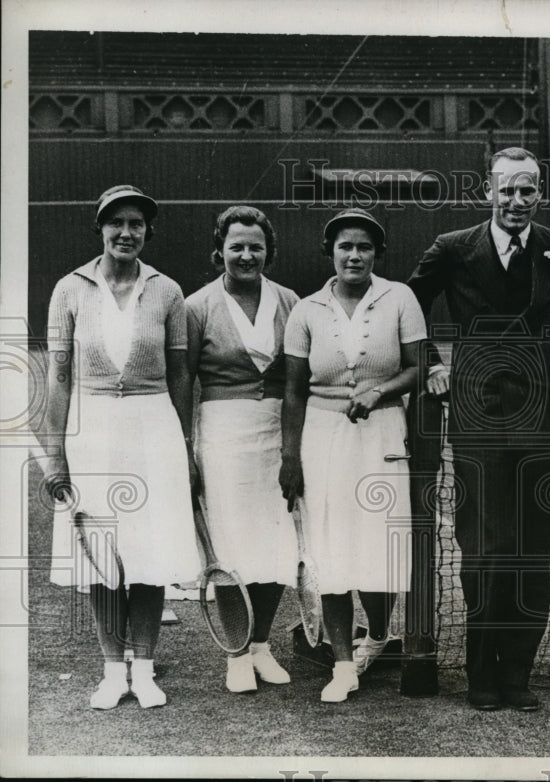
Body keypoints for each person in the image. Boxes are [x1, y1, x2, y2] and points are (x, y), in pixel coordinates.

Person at [407, 147, 550, 711]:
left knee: (533, 551)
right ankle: (480, 673)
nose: (516, 201)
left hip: (543, 417)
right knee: (485, 548)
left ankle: (518, 673)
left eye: (527, 191)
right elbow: (408, 305)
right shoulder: (452, 248)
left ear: (540, 194)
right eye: (506, 190)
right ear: (488, 192)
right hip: (477, 415)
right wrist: (431, 366)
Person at [43, 185, 202, 709]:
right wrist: (55, 455)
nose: (126, 233)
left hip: (153, 427)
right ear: (100, 228)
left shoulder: (168, 292)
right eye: (117, 223)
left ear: (147, 231)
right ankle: (114, 671)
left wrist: (185, 445)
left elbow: (181, 377)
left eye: (136, 224)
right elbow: (59, 380)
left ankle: (147, 668)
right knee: (102, 557)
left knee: (149, 556)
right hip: (92, 431)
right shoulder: (69, 289)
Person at [279, 208, 424, 703]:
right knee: (332, 550)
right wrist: (290, 457)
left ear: (376, 254)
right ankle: (343, 663)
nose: (355, 255)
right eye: (345, 246)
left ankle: (379, 635)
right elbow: (294, 391)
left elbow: (419, 368)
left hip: (382, 435)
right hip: (322, 437)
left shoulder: (400, 297)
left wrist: (379, 391)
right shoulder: (306, 309)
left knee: (379, 547)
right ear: (331, 252)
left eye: (364, 247)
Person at [185, 206, 300, 693]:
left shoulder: (291, 301)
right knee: (231, 543)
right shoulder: (197, 306)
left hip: (276, 432)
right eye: (237, 246)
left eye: (255, 246)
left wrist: (295, 449)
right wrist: (186, 448)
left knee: (276, 544)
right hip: (223, 431)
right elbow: (183, 381)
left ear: (268, 251)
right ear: (220, 251)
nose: (246, 254)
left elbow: (300, 379)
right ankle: (235, 652)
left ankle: (259, 646)